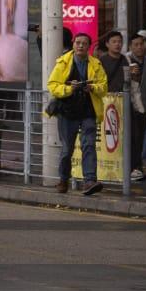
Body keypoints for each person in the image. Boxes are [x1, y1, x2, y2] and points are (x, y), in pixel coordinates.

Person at [47, 32, 107, 196]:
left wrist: (92, 88)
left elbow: (103, 87)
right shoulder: (63, 62)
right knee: (67, 148)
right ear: (73, 44)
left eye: (84, 43)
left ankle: (89, 181)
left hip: (88, 111)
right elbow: (52, 85)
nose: (81, 46)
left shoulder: (96, 64)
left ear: (89, 47)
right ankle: (63, 179)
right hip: (68, 111)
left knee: (88, 145)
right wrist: (69, 88)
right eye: (78, 43)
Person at [124, 32, 146, 182]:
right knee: (129, 137)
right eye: (136, 45)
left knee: (140, 137)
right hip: (127, 106)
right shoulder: (125, 60)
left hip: (144, 106)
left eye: (141, 44)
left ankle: (137, 167)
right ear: (131, 46)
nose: (139, 47)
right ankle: (129, 167)